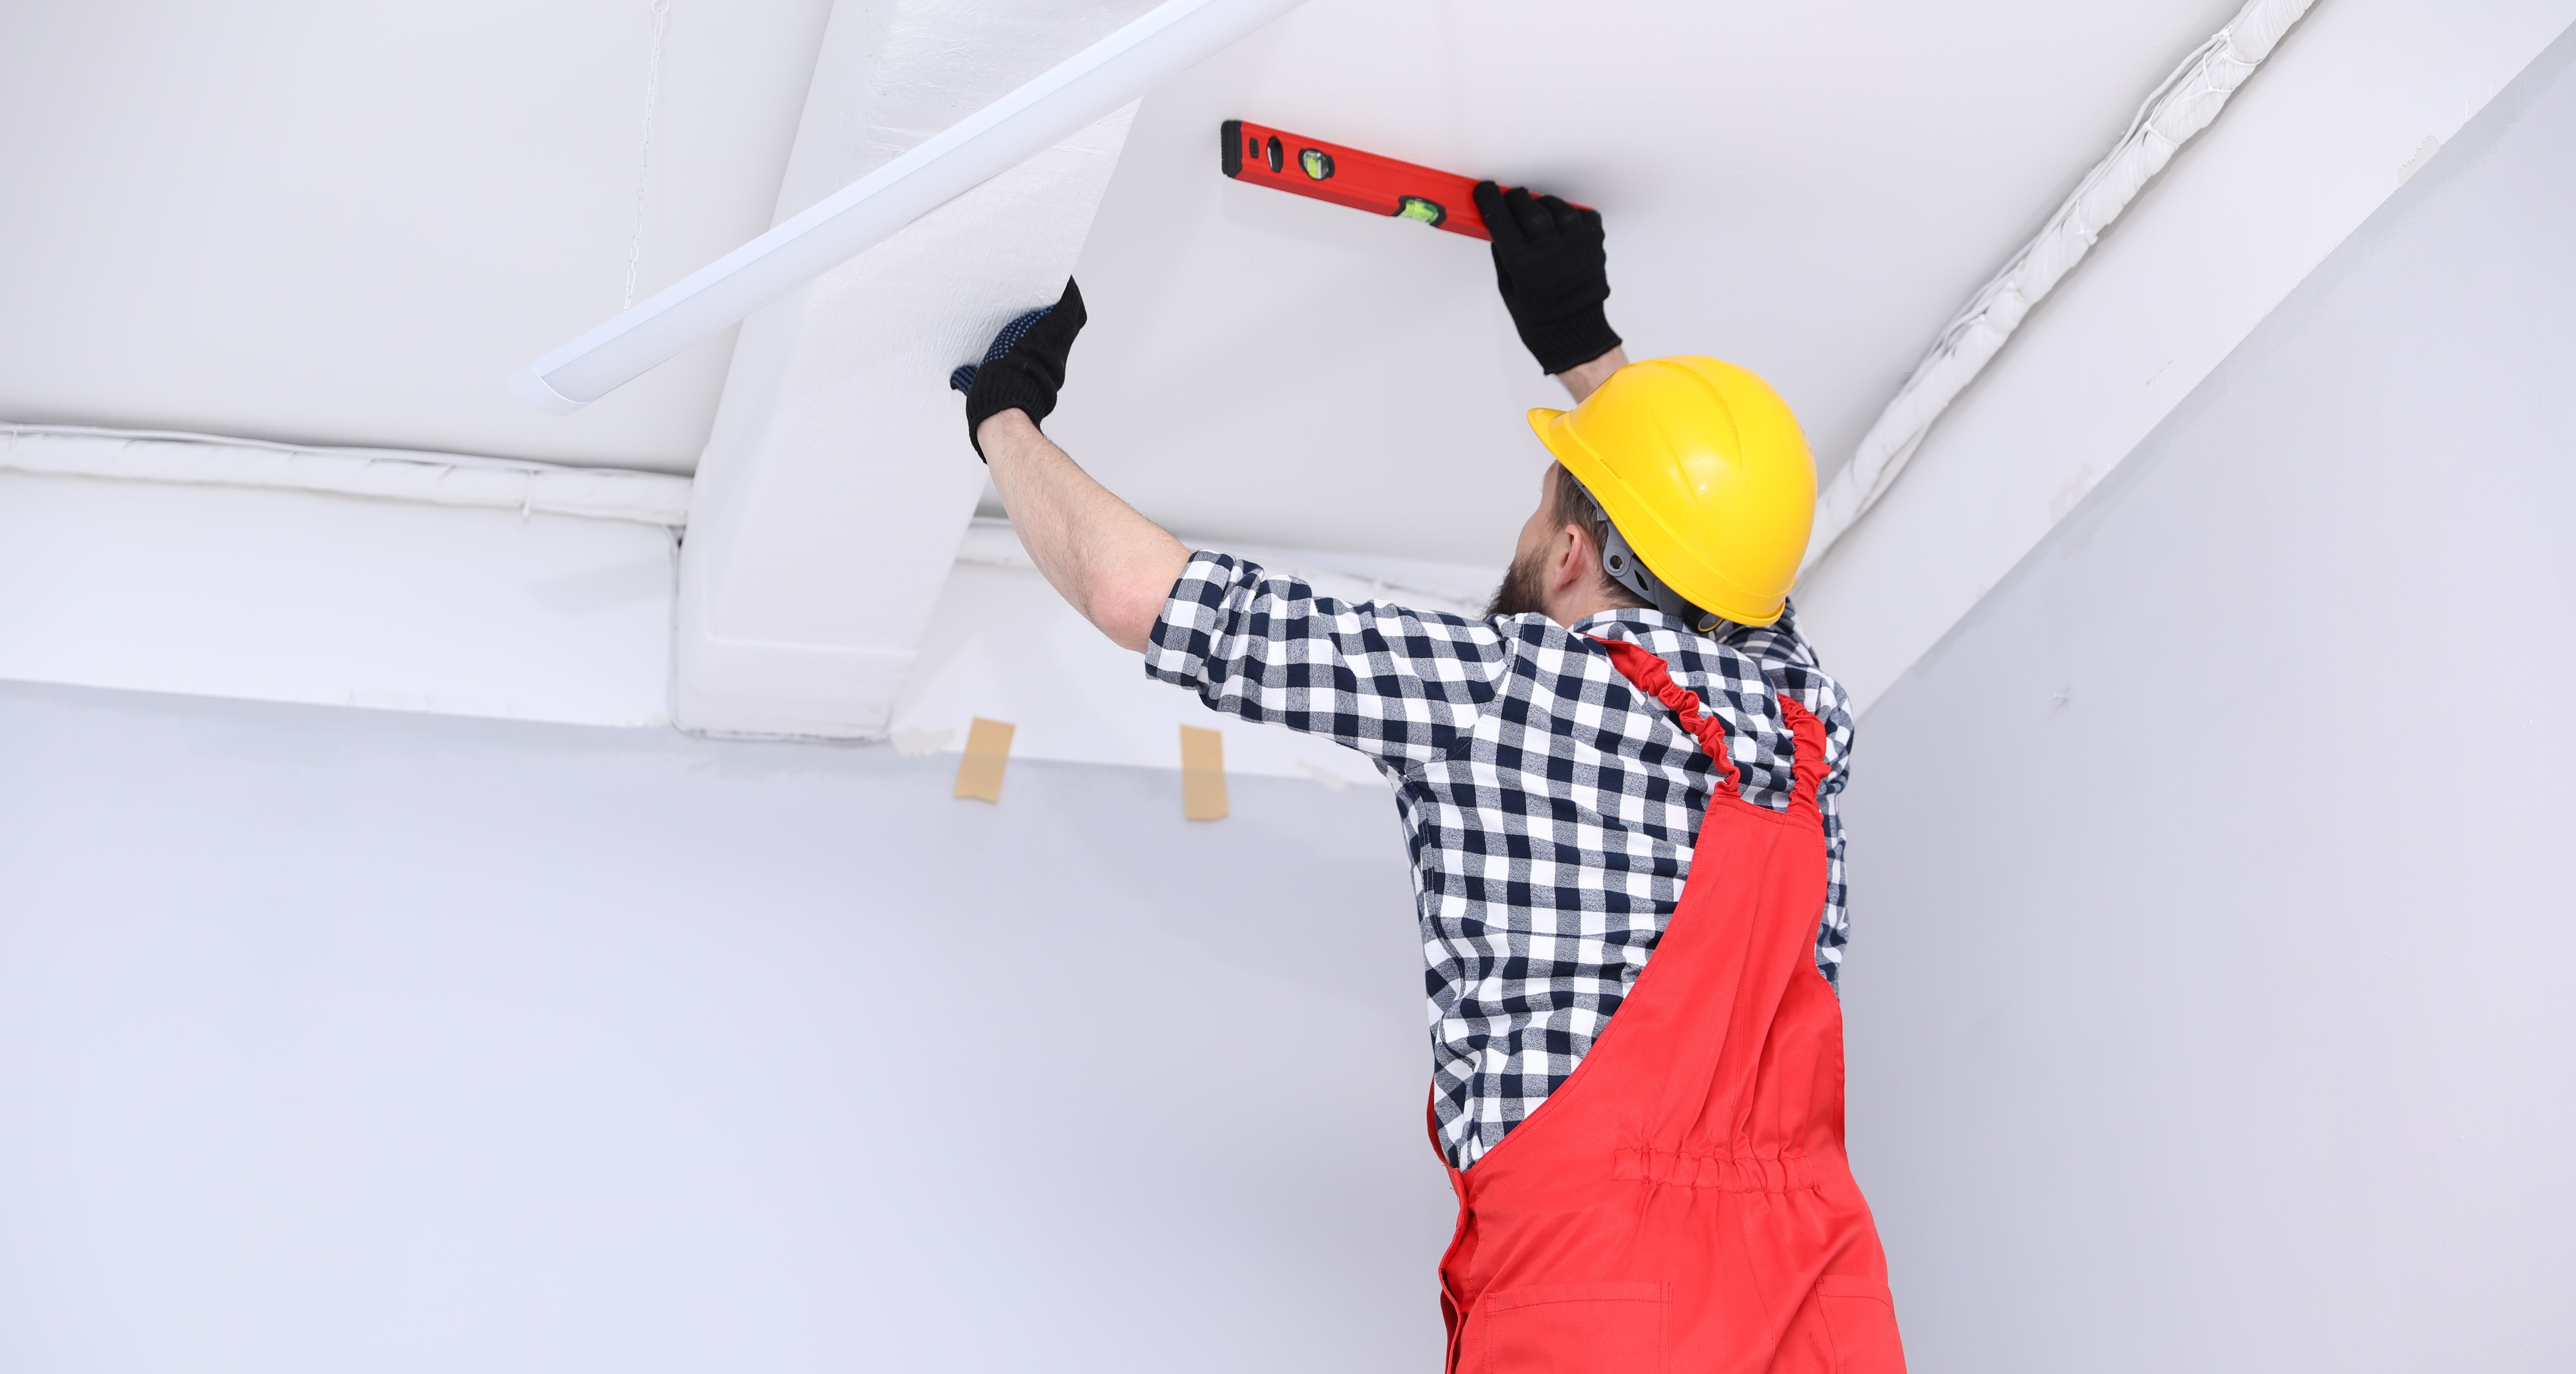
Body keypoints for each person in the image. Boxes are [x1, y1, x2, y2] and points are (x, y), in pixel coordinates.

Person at [948, 181, 1904, 1372]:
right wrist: (1585, 349)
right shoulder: (1798, 715)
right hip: (1823, 1291)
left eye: (1536, 516)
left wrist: (1005, 422)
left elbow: (1136, 592)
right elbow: (1723, 564)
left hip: (1603, 1302)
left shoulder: (1501, 690)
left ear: (1566, 553)